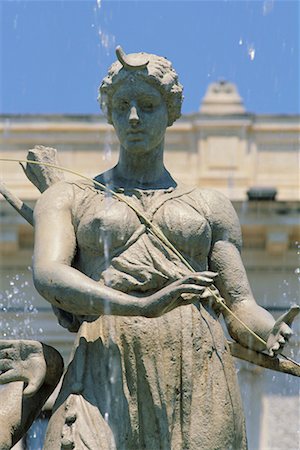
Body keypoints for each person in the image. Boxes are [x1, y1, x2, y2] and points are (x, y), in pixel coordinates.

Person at [30, 47, 293, 450]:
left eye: (148, 105)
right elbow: (49, 274)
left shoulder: (210, 205)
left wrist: (266, 329)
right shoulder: (69, 195)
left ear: (170, 112)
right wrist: (138, 306)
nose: (134, 117)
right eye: (123, 106)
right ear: (110, 113)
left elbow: (238, 305)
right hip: (106, 356)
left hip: (197, 367)